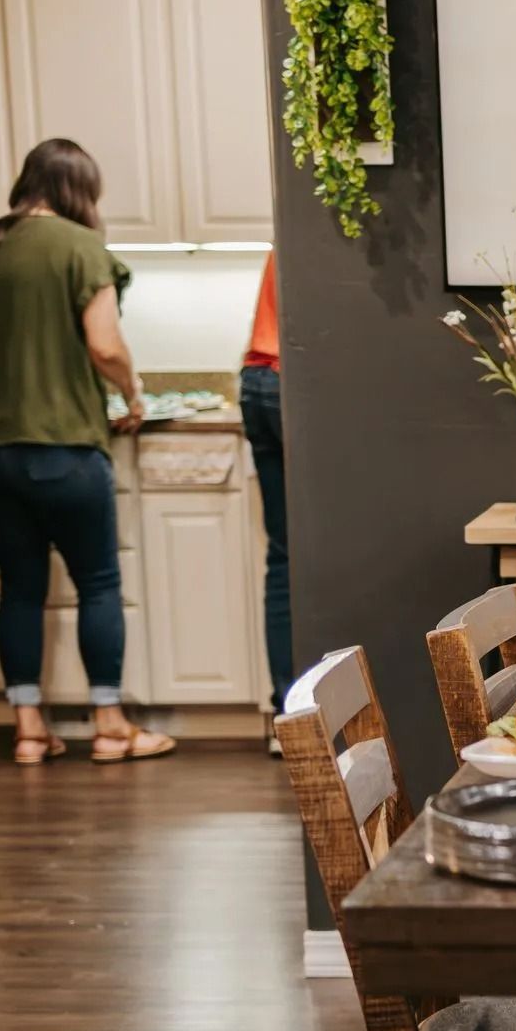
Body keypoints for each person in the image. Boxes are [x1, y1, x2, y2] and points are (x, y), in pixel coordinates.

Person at [0, 138, 174, 764]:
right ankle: (110, 725)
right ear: (77, 192)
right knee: (97, 584)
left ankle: (30, 731)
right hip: (67, 449)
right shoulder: (81, 247)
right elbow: (104, 344)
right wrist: (133, 391)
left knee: (18, 589)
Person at [238, 248, 290, 718]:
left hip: (256, 378)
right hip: (287, 378)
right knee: (317, 547)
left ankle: (288, 712)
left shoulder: (286, 225)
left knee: (284, 556)